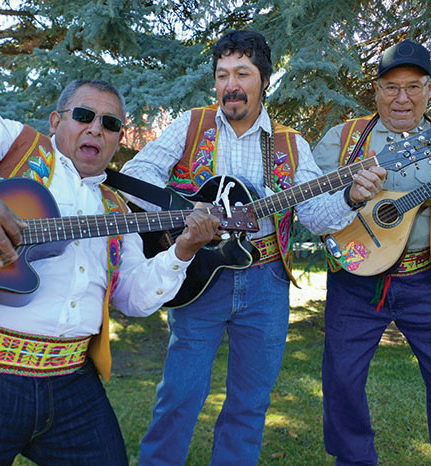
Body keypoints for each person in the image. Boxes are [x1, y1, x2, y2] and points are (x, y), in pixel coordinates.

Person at [0, 79, 220, 465]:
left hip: (70, 384)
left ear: (117, 140)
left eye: (111, 124)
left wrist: (182, 252)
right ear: (55, 121)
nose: (96, 128)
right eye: (84, 116)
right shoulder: (18, 146)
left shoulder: (117, 210)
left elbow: (133, 299)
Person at [120, 30, 386, 465]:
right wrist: (187, 212)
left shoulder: (289, 144)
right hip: (199, 276)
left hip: (265, 283)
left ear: (263, 80)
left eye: (242, 73)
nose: (230, 85)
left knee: (249, 404)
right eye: (222, 75)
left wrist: (351, 196)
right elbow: (136, 176)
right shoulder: (191, 124)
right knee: (179, 395)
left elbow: (316, 216)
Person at [312, 40, 431, 465]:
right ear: (376, 89)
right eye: (391, 87)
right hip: (355, 281)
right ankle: (353, 460)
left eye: (413, 87)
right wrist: (348, 195)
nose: (402, 98)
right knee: (341, 382)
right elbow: (310, 204)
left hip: (428, 280)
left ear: (430, 88)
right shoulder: (344, 139)